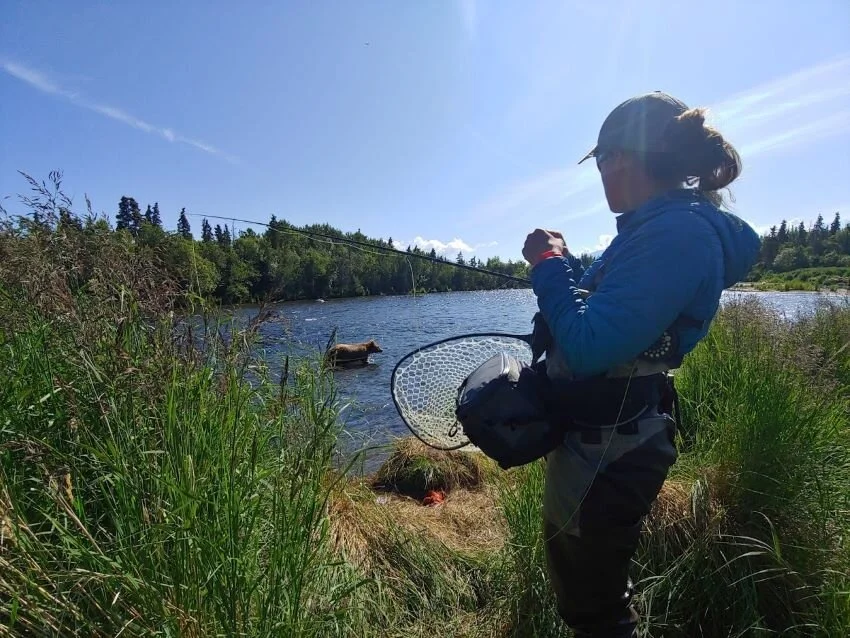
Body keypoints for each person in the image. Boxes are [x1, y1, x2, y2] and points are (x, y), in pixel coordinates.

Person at [521, 91, 761, 637]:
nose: (601, 175)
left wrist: (549, 265)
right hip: (603, 440)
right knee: (591, 583)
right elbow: (611, 309)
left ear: (622, 157)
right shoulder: (652, 228)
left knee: (595, 606)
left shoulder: (676, 234)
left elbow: (586, 345)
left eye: (602, 162)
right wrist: (568, 266)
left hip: (612, 450)